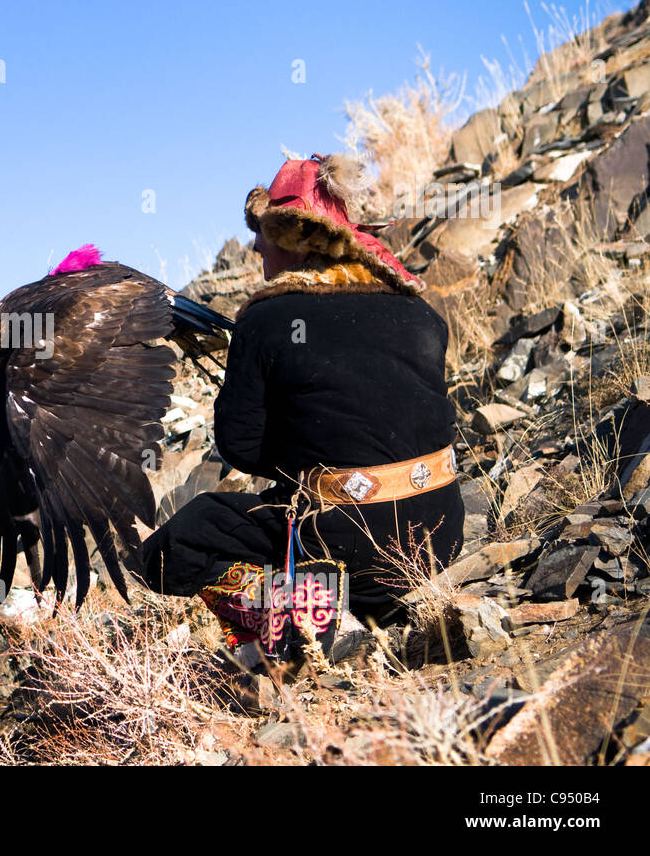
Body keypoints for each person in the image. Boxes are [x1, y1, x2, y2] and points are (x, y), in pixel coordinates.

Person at [132, 153, 464, 659]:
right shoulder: (419, 311)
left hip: (349, 547)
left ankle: (293, 620)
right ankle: (352, 610)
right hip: (440, 542)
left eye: (263, 234)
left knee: (179, 542)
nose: (255, 245)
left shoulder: (266, 320)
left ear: (291, 238)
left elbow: (241, 447)